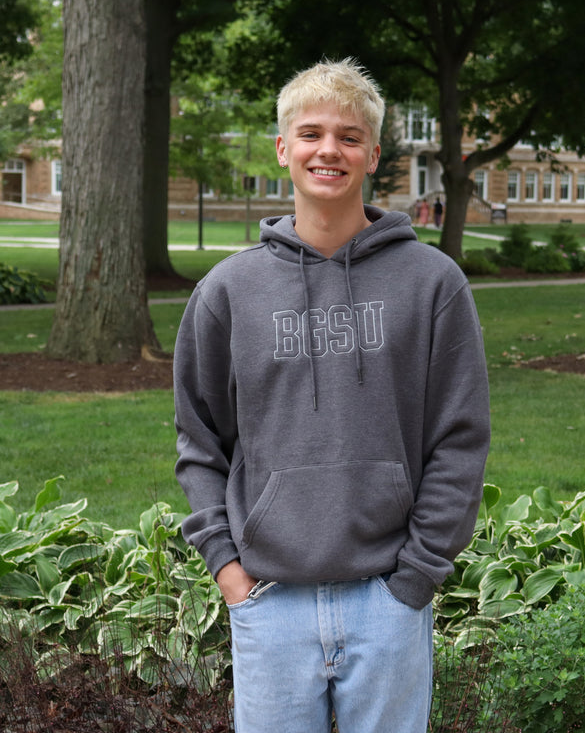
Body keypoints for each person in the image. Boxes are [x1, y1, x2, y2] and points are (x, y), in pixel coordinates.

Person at [173, 57, 490, 733]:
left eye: (349, 136)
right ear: (284, 149)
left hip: (388, 599)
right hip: (271, 598)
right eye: (311, 133)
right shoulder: (228, 293)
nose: (329, 150)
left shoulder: (432, 283)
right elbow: (198, 443)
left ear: (374, 154)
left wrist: (415, 578)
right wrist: (229, 571)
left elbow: (460, 439)